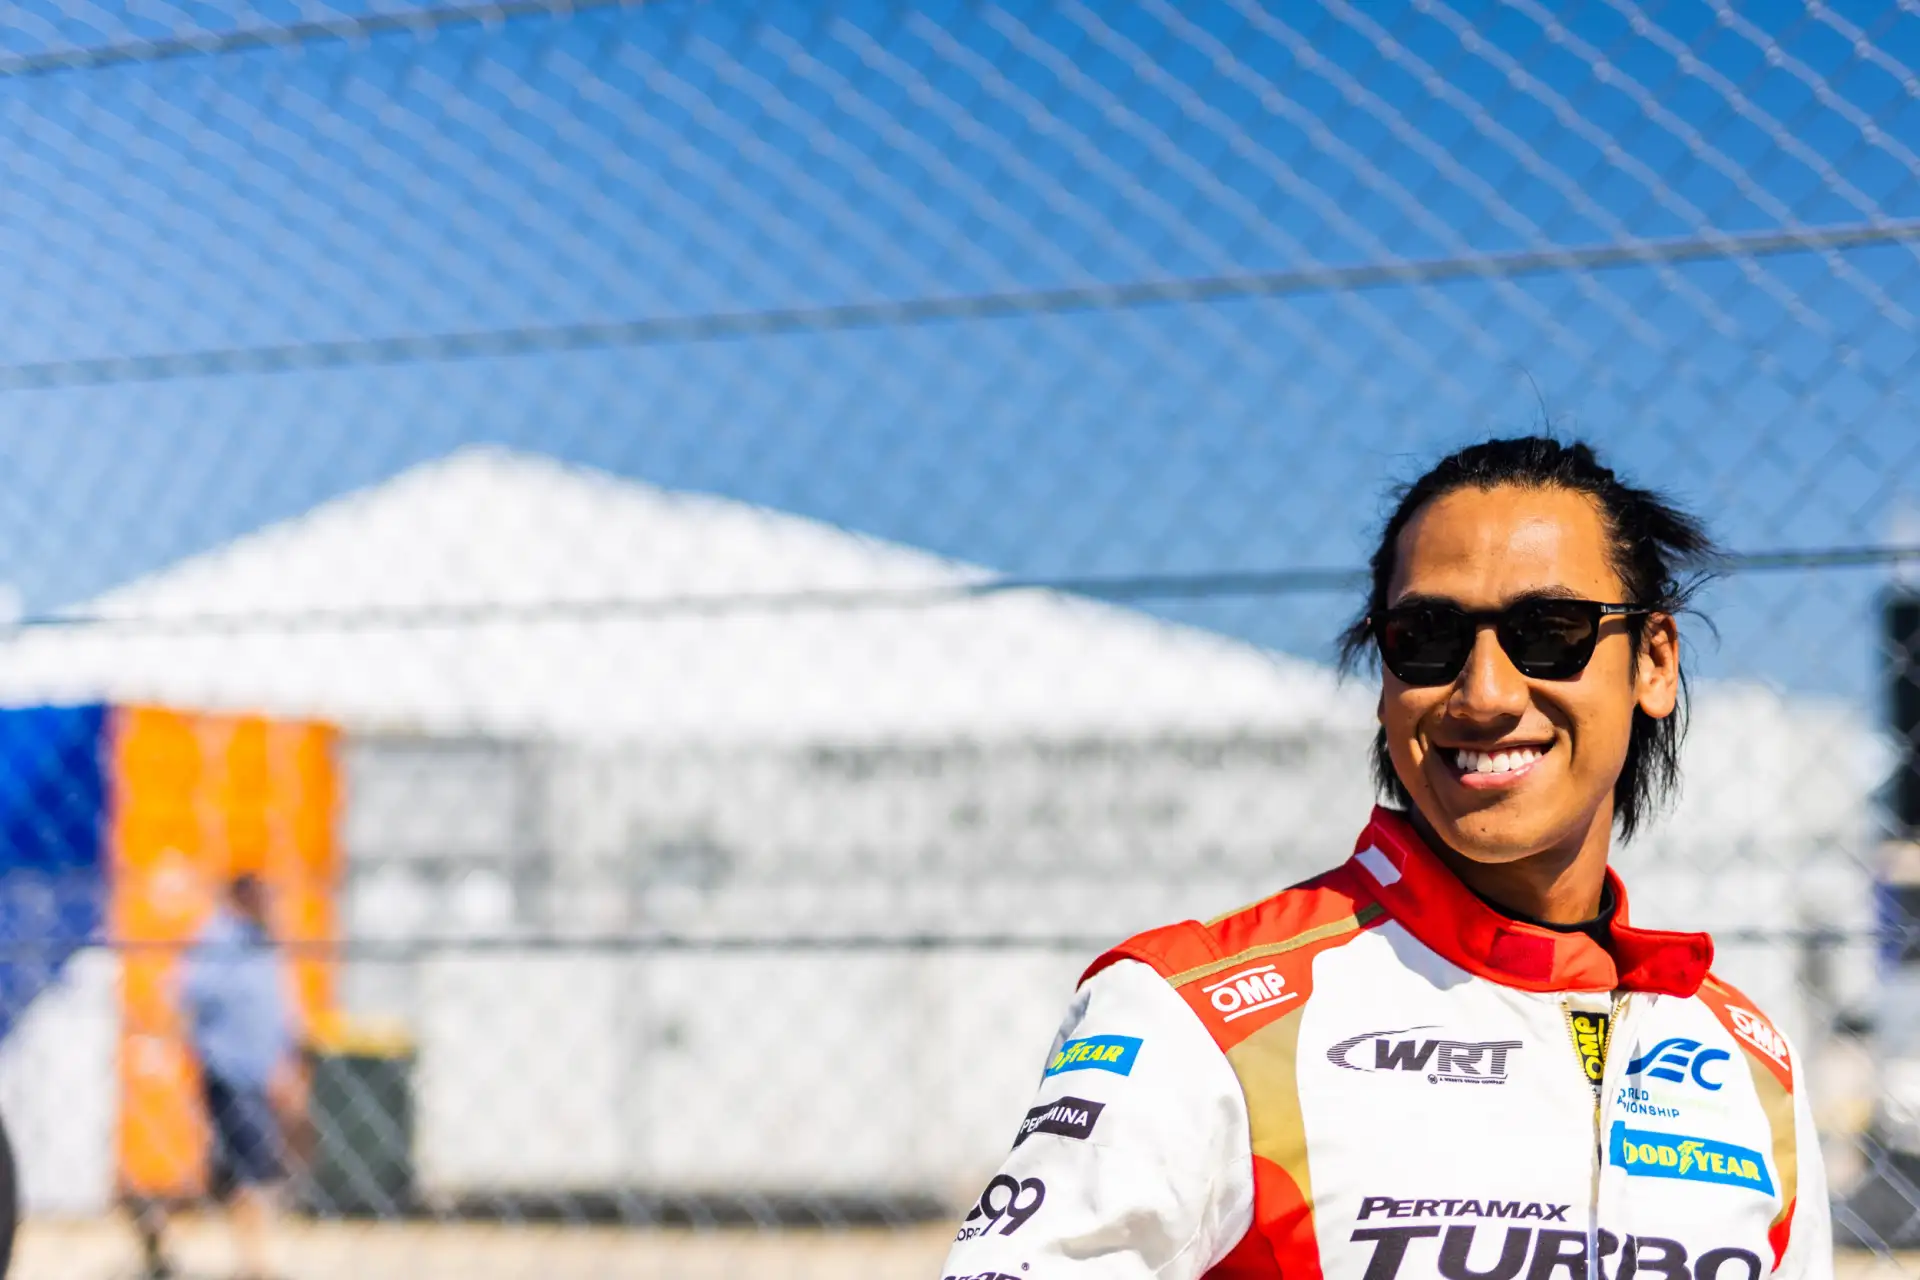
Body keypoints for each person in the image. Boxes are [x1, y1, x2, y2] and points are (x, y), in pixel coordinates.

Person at [942, 438, 1831, 1279]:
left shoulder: (1748, 1060)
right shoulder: (1195, 1015)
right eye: (1428, 637)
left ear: (1654, 663)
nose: (1485, 694)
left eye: (1550, 629)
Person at [141, 874, 301, 1280]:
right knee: (254, 1169)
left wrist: (288, 1063)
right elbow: (185, 994)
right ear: (241, 897)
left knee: (226, 1177)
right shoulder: (218, 940)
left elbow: (280, 1009)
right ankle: (256, 1264)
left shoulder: (263, 941)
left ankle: (158, 1219)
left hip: (261, 1071)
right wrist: (179, 1047)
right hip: (230, 1071)